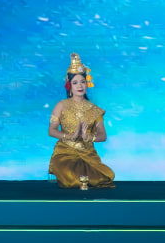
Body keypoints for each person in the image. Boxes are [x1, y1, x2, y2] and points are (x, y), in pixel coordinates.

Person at [47, 52, 115, 189]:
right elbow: (52, 131)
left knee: (103, 177)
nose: (80, 86)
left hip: (87, 154)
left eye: (83, 82)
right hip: (65, 153)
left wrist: (89, 137)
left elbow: (103, 135)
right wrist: (70, 136)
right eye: (75, 82)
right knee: (72, 179)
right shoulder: (61, 105)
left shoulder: (94, 109)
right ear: (69, 86)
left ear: (87, 83)